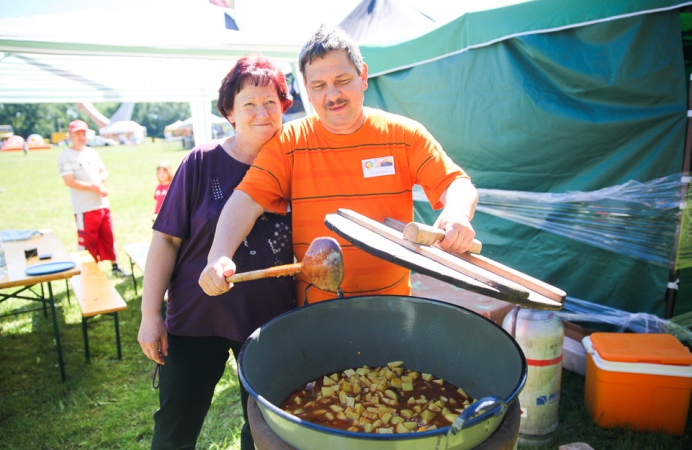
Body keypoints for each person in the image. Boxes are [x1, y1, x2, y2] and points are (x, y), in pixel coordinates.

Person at [199, 25, 478, 304]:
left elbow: (457, 183)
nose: (332, 95)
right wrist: (219, 255)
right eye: (319, 86)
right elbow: (246, 200)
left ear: (363, 76)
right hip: (317, 306)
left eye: (342, 80)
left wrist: (456, 212)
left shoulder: (404, 135)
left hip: (394, 302)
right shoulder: (289, 142)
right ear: (307, 90)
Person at [137, 55, 296, 450]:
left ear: (284, 107)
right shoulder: (201, 162)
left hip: (268, 325)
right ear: (229, 111)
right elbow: (166, 240)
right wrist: (149, 314)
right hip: (195, 319)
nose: (262, 113)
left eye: (271, 103)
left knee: (262, 431)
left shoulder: (298, 166)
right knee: (176, 426)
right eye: (249, 104)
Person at [57, 120, 129, 277]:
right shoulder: (66, 155)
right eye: (78, 134)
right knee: (88, 241)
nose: (81, 137)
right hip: (84, 206)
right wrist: (92, 186)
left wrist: (100, 181)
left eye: (83, 133)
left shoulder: (91, 152)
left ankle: (115, 266)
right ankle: (90, 272)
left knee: (108, 237)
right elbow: (69, 181)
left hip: (102, 204)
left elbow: (103, 171)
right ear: (70, 135)